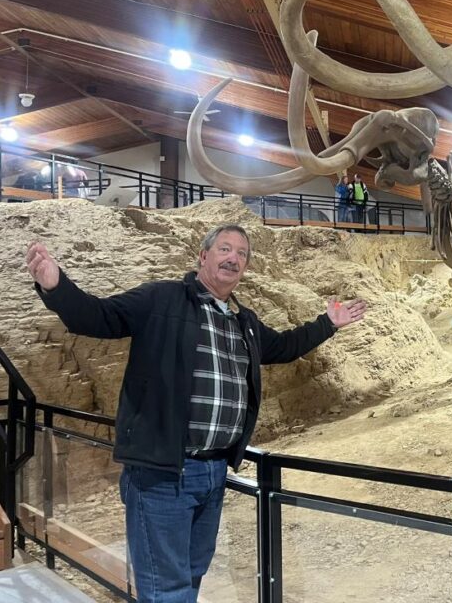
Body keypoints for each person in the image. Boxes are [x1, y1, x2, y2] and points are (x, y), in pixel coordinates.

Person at [25, 224, 367, 602]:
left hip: (213, 472)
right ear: (203, 257)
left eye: (241, 254)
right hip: (163, 474)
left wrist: (327, 324)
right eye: (224, 249)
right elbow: (99, 316)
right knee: (165, 589)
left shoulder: (244, 323)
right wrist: (57, 288)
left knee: (191, 576)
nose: (233, 257)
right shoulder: (163, 299)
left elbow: (284, 346)